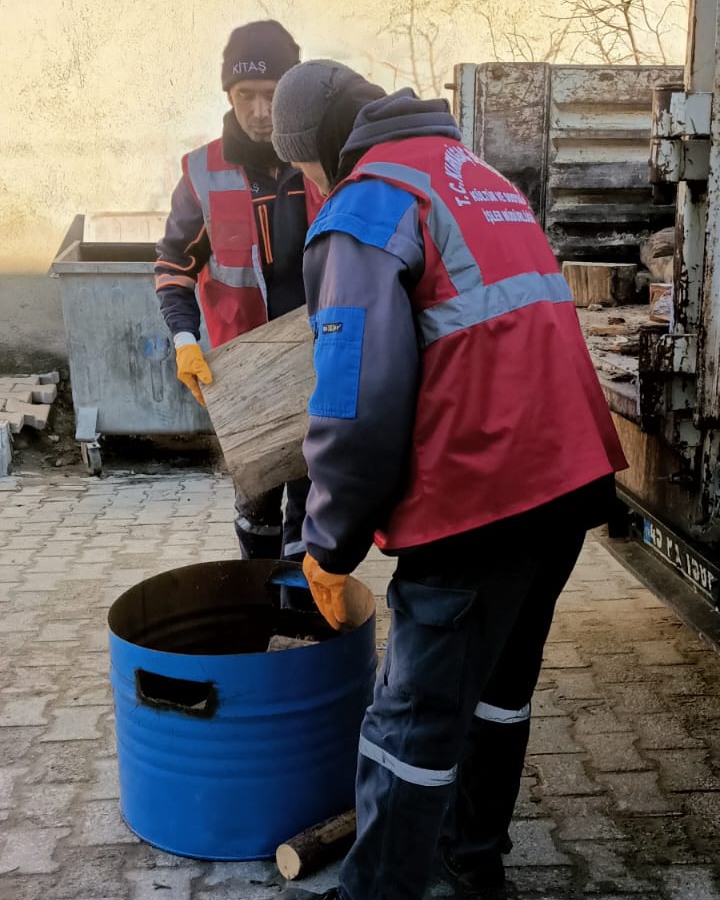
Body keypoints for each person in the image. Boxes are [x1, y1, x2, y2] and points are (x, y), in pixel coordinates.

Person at [269, 61, 628, 900]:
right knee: (500, 690)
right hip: (566, 480)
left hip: (482, 498)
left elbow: (355, 409)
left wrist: (326, 544)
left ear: (318, 147)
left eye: (303, 167)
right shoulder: (476, 178)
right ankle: (473, 865)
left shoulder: (365, 204)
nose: (313, 184)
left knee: (411, 724)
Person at [155, 21, 322, 562]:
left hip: (322, 364)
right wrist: (184, 337)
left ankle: (305, 622)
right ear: (227, 93)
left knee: (314, 508)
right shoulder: (202, 171)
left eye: (271, 95)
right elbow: (174, 264)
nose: (258, 110)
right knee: (256, 507)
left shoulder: (325, 164)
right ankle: (259, 609)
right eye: (244, 95)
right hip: (243, 373)